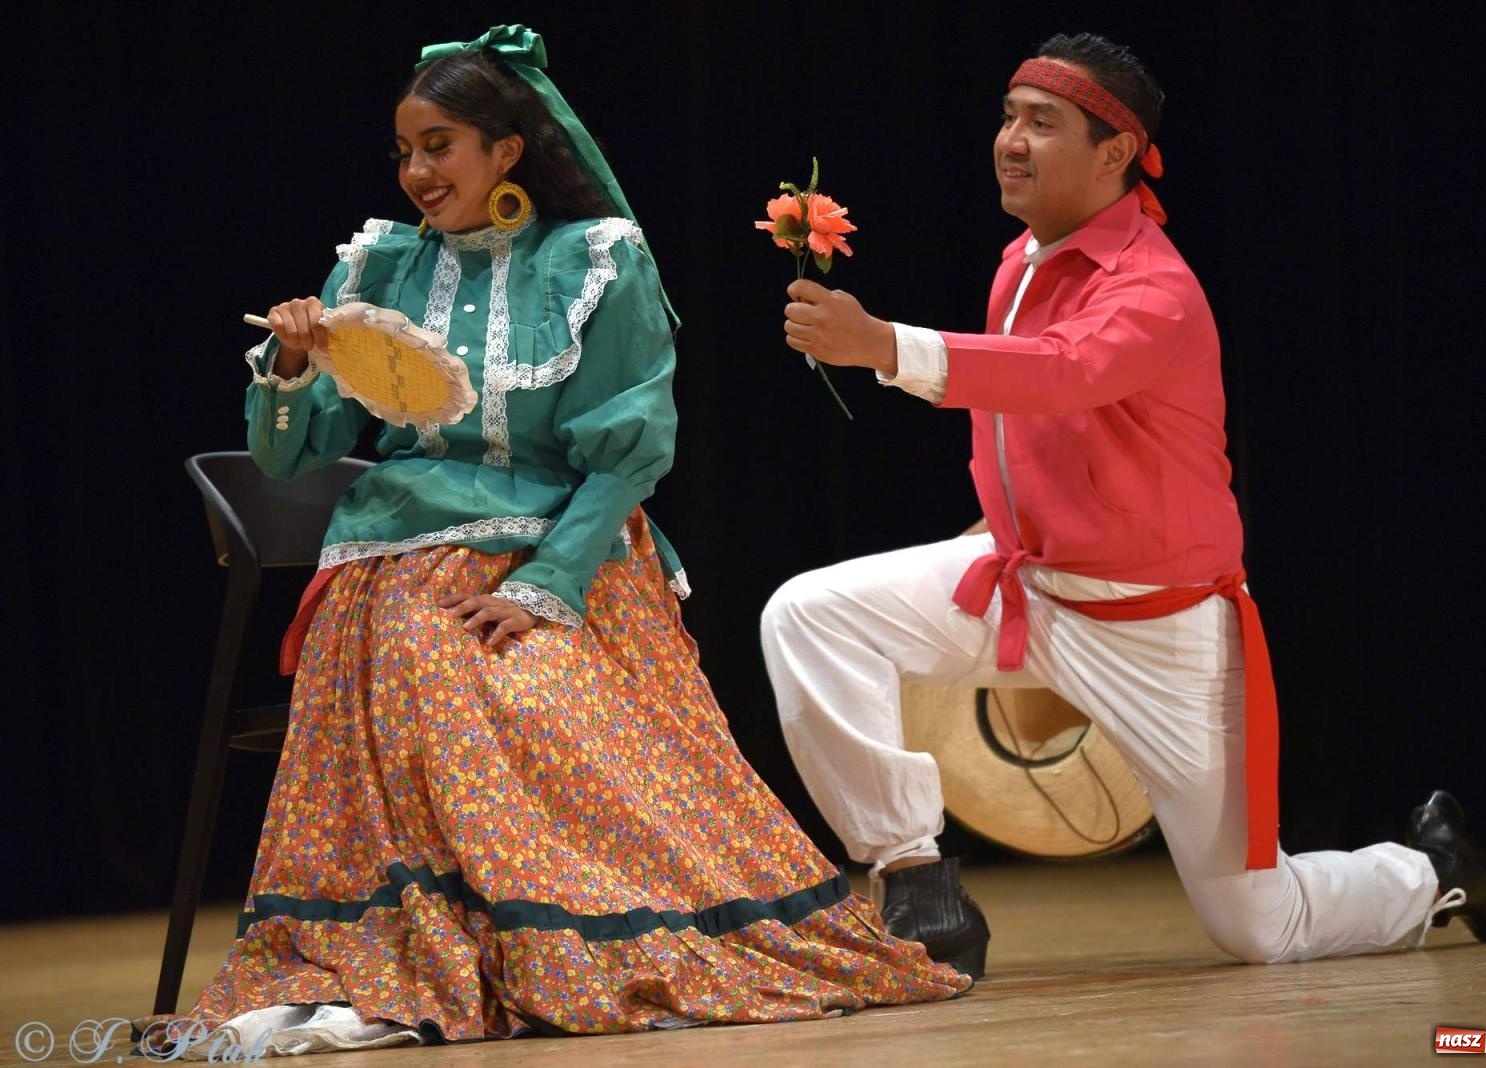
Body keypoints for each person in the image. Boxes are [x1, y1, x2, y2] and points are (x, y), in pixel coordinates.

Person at [138, 24, 969, 1055]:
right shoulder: (378, 267)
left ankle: (593, 933)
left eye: (439, 145)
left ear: (508, 150)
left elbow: (625, 456)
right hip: (399, 562)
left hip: (568, 552)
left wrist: (545, 583)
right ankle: (471, 938)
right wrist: (299, 366)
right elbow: (289, 461)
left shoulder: (593, 264)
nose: (417, 172)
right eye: (404, 151)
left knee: (544, 699)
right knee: (441, 669)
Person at [761, 31, 1486, 979]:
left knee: (1256, 924)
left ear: (1116, 151)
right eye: (1007, 117)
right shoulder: (1022, 260)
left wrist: (886, 347)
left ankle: (1431, 869)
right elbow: (1029, 421)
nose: (1011, 140)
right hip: (1032, 586)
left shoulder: (1154, 289)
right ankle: (914, 876)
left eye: (1043, 123)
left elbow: (1064, 374)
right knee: (810, 615)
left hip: (1156, 626)